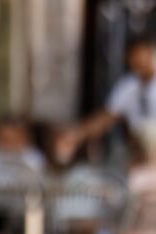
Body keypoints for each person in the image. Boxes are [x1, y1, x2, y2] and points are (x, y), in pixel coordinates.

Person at [56, 35, 156, 163]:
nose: (140, 61)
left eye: (144, 56)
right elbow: (107, 117)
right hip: (140, 151)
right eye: (135, 57)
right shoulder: (129, 86)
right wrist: (75, 135)